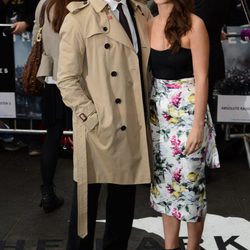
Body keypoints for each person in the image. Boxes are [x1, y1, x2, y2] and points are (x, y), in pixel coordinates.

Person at [56, 0, 152, 249]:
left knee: (122, 212)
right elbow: (66, 79)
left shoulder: (141, 12)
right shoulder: (79, 18)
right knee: (84, 215)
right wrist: (93, 117)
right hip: (98, 128)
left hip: (132, 125)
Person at [148, 0, 220, 249]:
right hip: (158, 118)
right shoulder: (148, 23)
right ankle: (170, 246)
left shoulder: (195, 25)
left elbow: (202, 79)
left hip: (189, 116)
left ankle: (192, 247)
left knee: (190, 186)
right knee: (165, 185)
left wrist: (198, 126)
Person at [32, 0, 72, 213]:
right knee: (88, 139)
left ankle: (47, 192)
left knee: (52, 137)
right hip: (79, 82)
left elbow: (35, 40)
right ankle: (85, 195)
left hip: (53, 81)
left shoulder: (43, 4)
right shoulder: (83, 4)